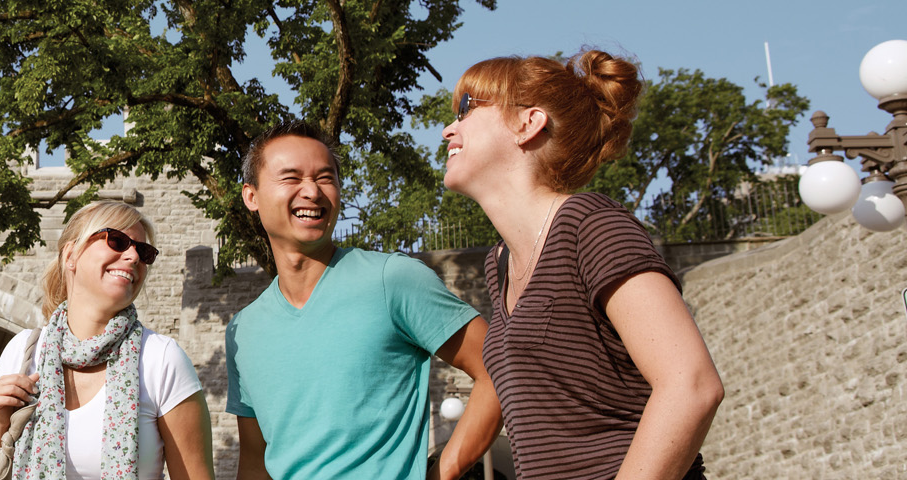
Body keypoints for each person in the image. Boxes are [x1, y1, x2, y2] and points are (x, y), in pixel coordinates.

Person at [439, 50, 724, 479]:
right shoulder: (500, 263)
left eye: (466, 108)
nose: (449, 129)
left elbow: (692, 386)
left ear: (528, 123)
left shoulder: (591, 226)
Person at [227, 121, 502, 480]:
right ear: (251, 196)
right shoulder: (243, 330)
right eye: (291, 178)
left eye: (325, 178)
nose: (312, 191)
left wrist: (441, 473)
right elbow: (254, 460)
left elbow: (498, 371)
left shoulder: (393, 280)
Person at [0, 200, 215, 480]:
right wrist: (1, 420)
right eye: (118, 241)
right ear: (71, 254)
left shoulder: (161, 359)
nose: (133, 257)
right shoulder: (24, 350)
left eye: (143, 251)